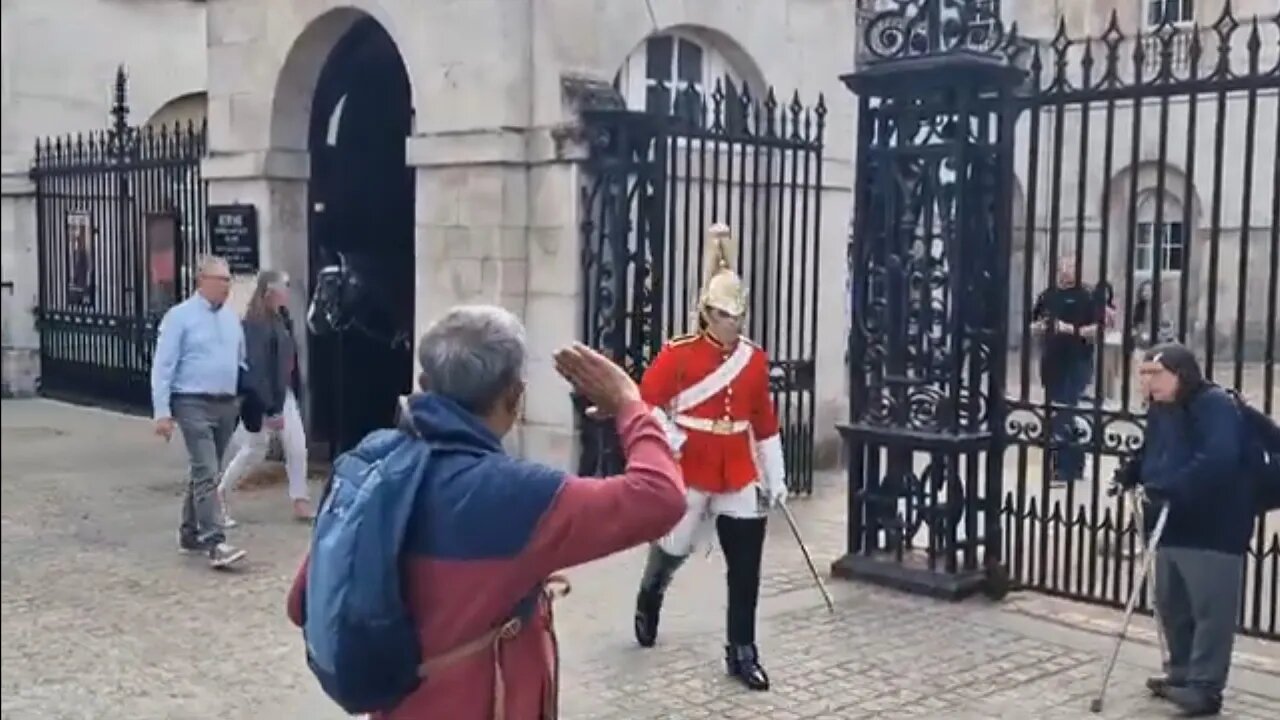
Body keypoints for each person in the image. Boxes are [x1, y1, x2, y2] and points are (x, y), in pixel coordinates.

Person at [285, 305, 686, 719]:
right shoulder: (517, 495)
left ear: (425, 384)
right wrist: (629, 406)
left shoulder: (371, 460)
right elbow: (661, 496)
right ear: (515, 397)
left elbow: (301, 603)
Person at [630, 223, 788, 691]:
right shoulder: (679, 354)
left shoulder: (754, 360)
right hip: (691, 465)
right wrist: (669, 433)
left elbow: (764, 422)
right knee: (674, 546)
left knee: (745, 570)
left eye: (739, 316)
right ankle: (650, 593)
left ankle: (742, 650)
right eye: (725, 316)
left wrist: (774, 475)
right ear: (707, 314)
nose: (734, 325)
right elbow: (645, 402)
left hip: (737, 468)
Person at [1119, 342, 1254, 717]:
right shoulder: (1161, 408)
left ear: (1181, 373)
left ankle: (1206, 687)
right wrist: (1135, 468)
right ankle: (1180, 674)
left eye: (1156, 374)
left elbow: (1219, 458)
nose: (1148, 382)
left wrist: (1175, 485)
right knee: (1171, 603)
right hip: (1169, 522)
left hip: (1212, 526)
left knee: (1209, 610)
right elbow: (1156, 450)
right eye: (1143, 375)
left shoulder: (1214, 405)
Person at [150, 255, 248, 568]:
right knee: (206, 471)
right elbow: (163, 366)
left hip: (225, 403)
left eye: (229, 280)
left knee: (207, 469)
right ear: (202, 281)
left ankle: (189, 531)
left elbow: (241, 360)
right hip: (191, 400)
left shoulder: (232, 319)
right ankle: (215, 541)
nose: (227, 287)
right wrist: (162, 411)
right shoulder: (180, 317)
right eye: (221, 280)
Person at [218, 270, 313, 525]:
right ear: (270, 291)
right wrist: (271, 410)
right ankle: (220, 493)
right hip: (264, 397)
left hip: (283, 392)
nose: (287, 293)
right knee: (254, 448)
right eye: (283, 287)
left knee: (296, 445)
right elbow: (258, 368)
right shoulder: (255, 324)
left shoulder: (280, 318)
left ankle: (300, 498)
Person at [1031, 258, 1103, 486]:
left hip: (1077, 361)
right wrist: (1040, 328)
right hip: (1052, 361)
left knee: (1067, 411)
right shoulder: (1047, 296)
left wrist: (1069, 329)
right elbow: (1033, 324)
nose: (1066, 271)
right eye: (1063, 266)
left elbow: (1098, 330)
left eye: (1071, 266)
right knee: (1056, 412)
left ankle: (1066, 468)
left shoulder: (1088, 296)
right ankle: (1067, 464)